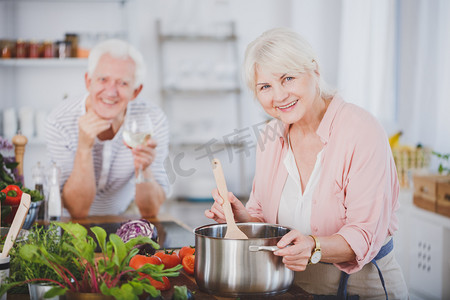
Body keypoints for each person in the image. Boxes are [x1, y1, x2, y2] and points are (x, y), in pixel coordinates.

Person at [205, 28, 408, 299]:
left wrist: (313, 246)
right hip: (292, 287)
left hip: (361, 288)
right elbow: (265, 218)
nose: (278, 96)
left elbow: (363, 234)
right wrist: (242, 219)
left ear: (314, 70)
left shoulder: (361, 131)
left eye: (287, 78)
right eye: (265, 86)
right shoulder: (269, 135)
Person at [46, 39, 169, 219]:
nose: (111, 92)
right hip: (68, 221)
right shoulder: (59, 120)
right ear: (88, 81)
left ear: (136, 91)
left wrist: (144, 168)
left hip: (122, 216)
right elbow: (77, 210)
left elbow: (150, 211)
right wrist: (84, 148)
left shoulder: (153, 119)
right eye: (103, 79)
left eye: (123, 83)